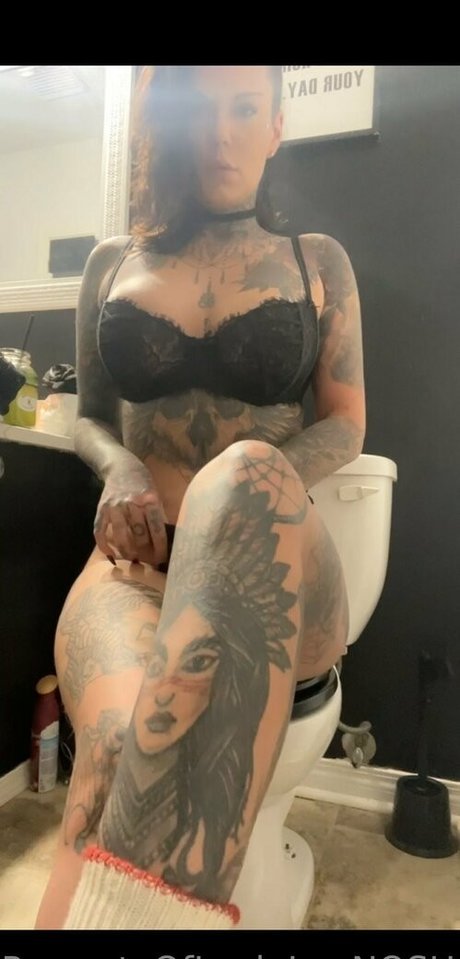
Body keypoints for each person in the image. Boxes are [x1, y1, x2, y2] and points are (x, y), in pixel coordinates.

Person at [34, 64, 366, 930]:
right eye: (203, 111)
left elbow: (346, 422)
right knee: (116, 747)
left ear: (276, 126)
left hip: (277, 578)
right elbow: (90, 417)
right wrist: (120, 467)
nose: (221, 132)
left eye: (245, 109)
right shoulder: (111, 264)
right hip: (138, 570)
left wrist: (250, 477)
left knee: (243, 474)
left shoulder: (318, 261)